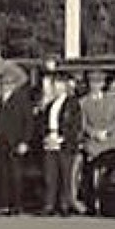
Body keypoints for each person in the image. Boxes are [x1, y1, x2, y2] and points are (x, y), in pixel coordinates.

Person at [0, 62, 33, 216]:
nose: (6, 86)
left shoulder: (22, 101)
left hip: (16, 142)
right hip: (0, 142)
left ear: (14, 85)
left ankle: (16, 205)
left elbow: (28, 123)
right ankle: (2, 204)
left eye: (9, 83)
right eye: (4, 83)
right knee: (1, 175)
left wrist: (25, 141)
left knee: (16, 175)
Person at [37, 72, 84, 216]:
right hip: (50, 140)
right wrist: (45, 136)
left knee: (65, 175)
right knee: (50, 175)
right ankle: (49, 204)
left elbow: (75, 126)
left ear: (64, 86)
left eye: (59, 84)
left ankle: (64, 205)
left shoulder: (72, 103)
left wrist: (62, 138)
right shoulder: (50, 104)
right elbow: (42, 123)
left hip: (64, 143)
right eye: (54, 84)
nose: (56, 87)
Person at [79, 69, 115, 214]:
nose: (95, 86)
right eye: (92, 83)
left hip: (109, 141)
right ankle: (91, 204)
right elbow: (82, 123)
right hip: (92, 142)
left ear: (103, 84)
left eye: (98, 82)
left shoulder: (112, 100)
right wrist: (93, 133)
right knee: (89, 171)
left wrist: (107, 132)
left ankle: (107, 203)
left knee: (107, 170)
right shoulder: (83, 102)